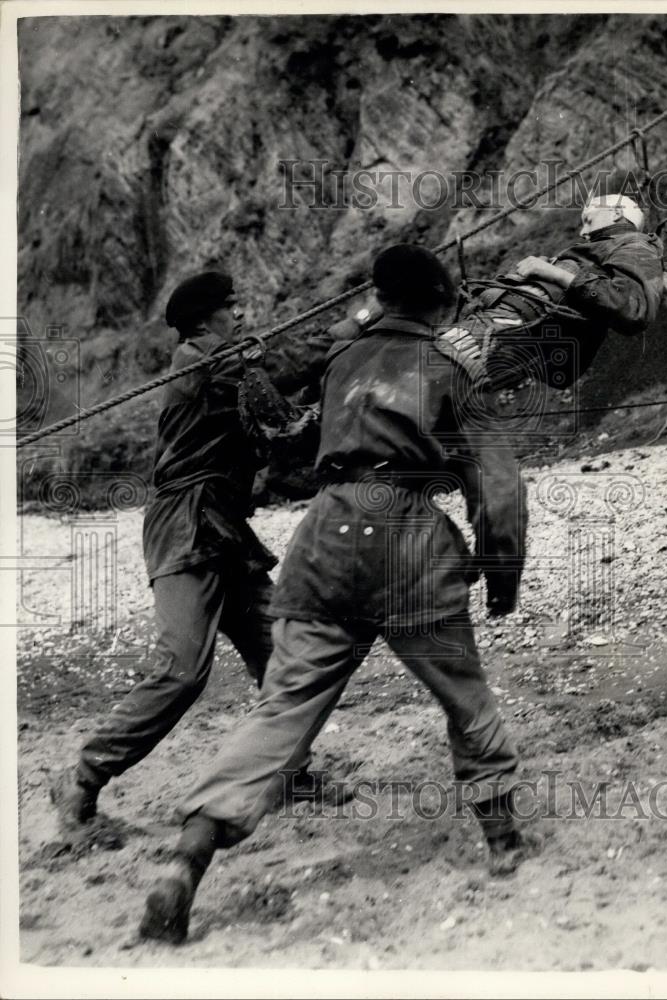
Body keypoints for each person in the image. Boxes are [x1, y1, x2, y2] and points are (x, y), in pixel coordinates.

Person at [138, 244, 529, 945]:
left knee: (281, 709)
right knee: (464, 697)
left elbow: (289, 437)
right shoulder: (451, 365)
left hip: (323, 539)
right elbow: (496, 490)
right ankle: (503, 844)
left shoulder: (341, 360)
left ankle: (186, 858)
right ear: (441, 303)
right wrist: (502, 574)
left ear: (378, 299)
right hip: (406, 539)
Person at [50, 270, 338, 830]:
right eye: (231, 308)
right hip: (185, 527)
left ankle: (291, 773)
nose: (241, 315)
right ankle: (83, 775)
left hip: (222, 528)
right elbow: (281, 373)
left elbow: (281, 403)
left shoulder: (226, 362)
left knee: (282, 655)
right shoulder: (204, 362)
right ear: (206, 320)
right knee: (182, 670)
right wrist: (357, 324)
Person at [458, 193, 667, 392]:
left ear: (616, 213)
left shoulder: (635, 244)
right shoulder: (607, 249)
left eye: (589, 220)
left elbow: (634, 309)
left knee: (437, 362)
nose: (582, 232)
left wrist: (554, 273)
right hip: (510, 335)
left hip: (507, 330)